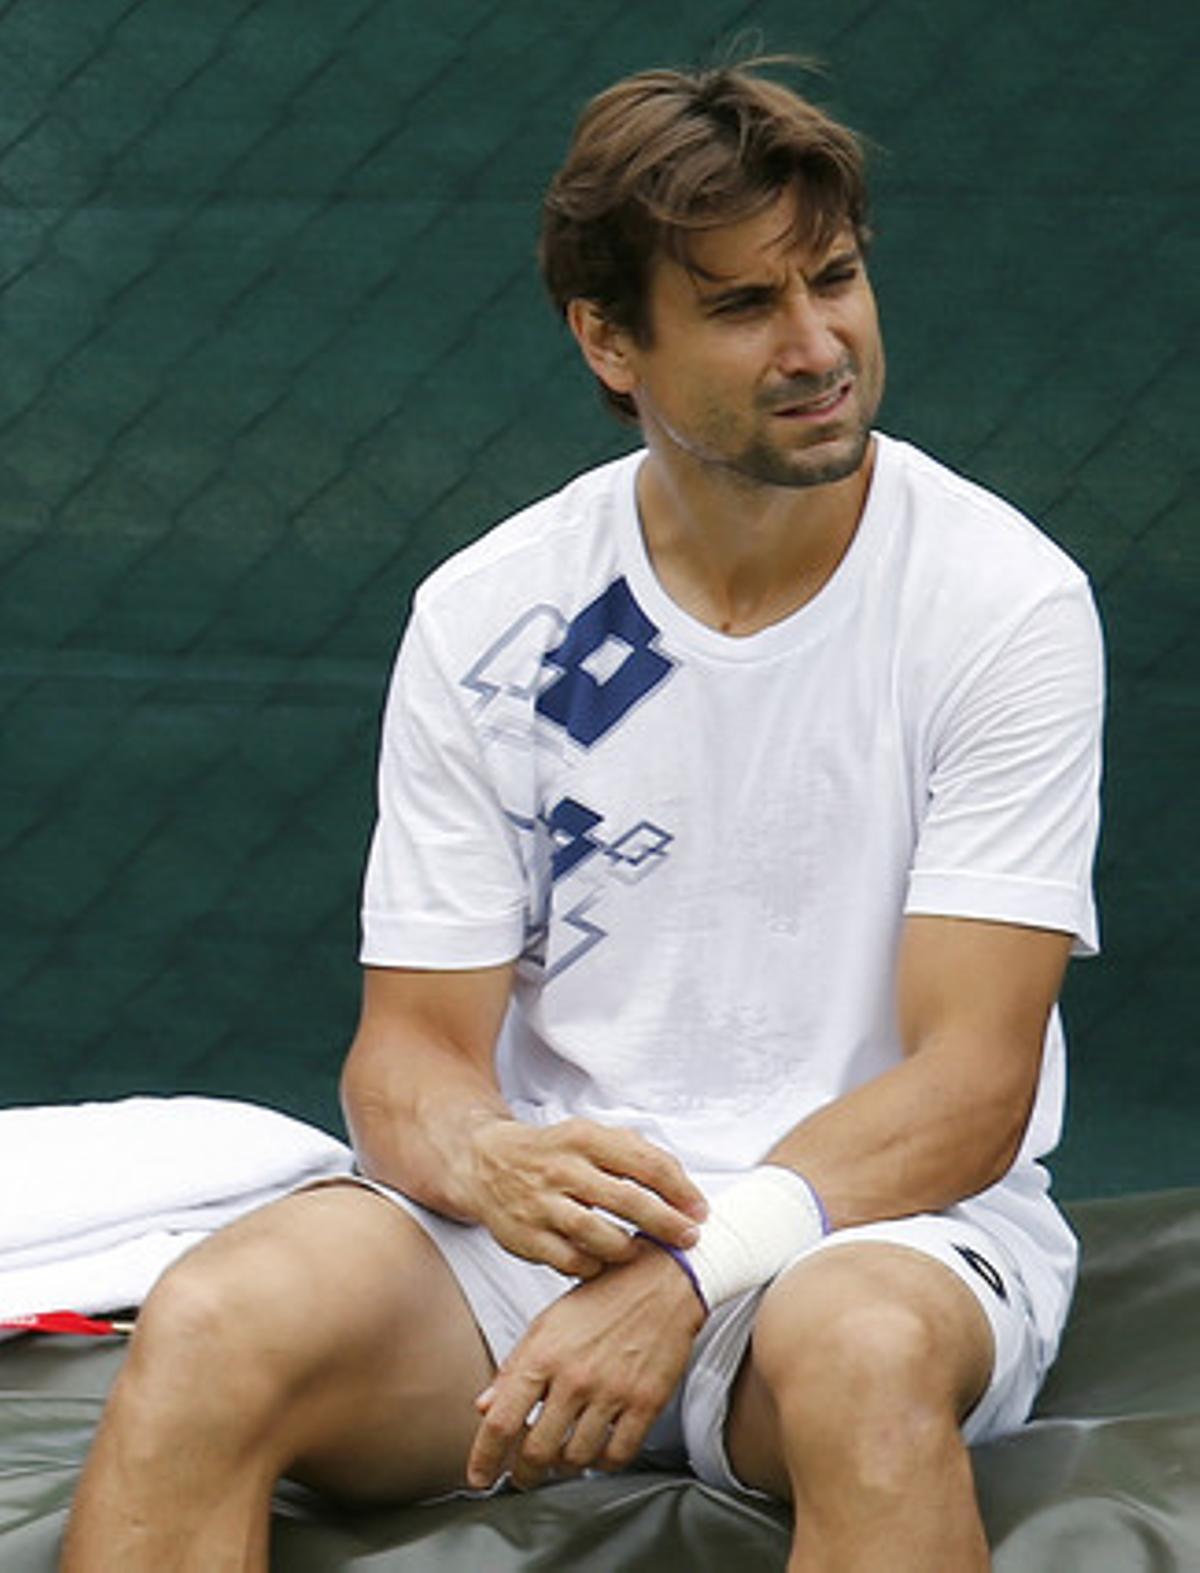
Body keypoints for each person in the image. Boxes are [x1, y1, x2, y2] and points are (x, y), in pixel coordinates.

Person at [61, 60, 1104, 1573]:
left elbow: (971, 1087)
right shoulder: (490, 611)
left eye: (837, 279)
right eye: (747, 307)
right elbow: (409, 1051)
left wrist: (696, 1268)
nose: (819, 345)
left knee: (866, 1366)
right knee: (215, 1320)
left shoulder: (1005, 603)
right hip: (531, 1256)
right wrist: (484, 1160)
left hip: (869, 1236)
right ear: (610, 342)